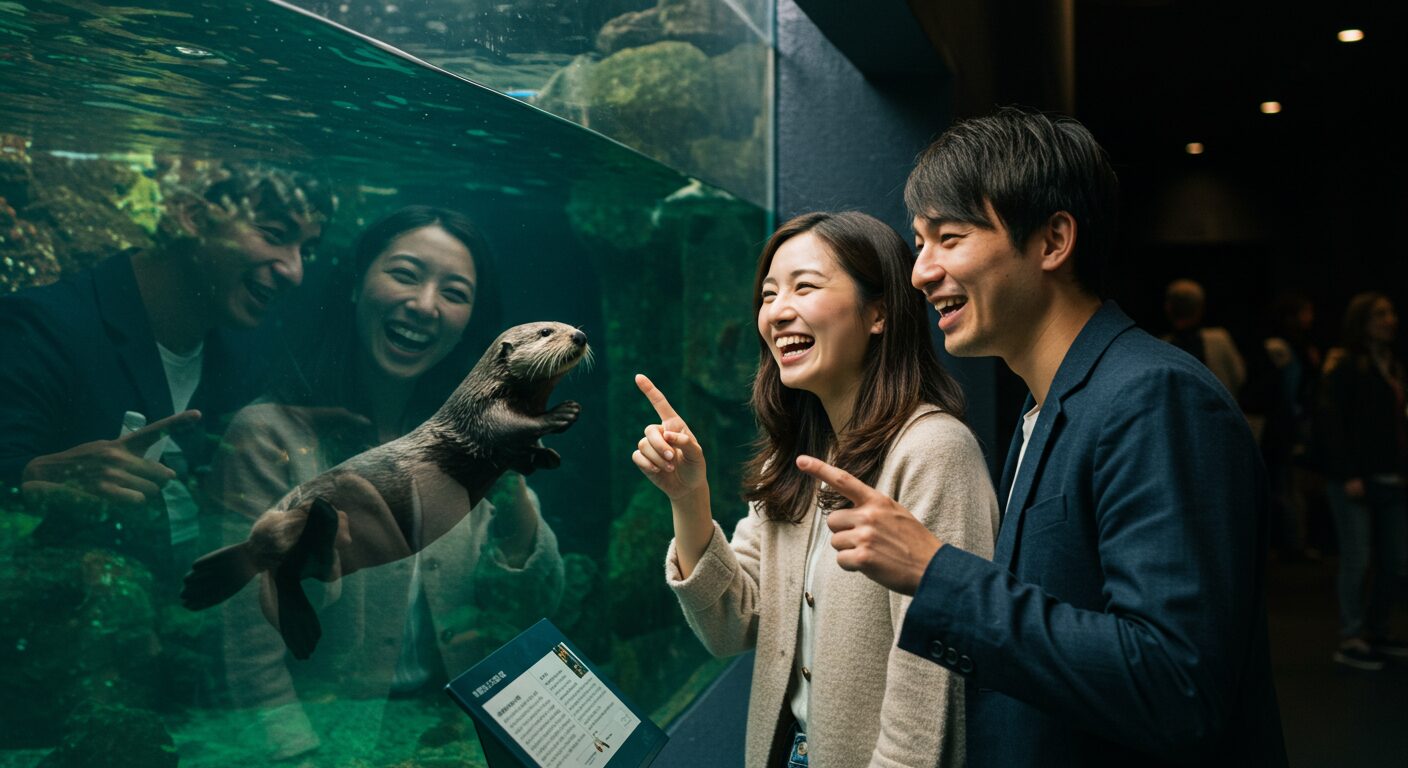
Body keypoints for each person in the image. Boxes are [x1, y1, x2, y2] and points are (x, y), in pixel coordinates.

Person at [795, 109, 1287, 766]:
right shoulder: (1042, 409)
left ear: (1053, 241)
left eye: (950, 237)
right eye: (919, 243)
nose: (920, 271)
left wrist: (935, 570)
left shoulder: (1154, 396)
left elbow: (1175, 683)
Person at [632, 211, 998, 768]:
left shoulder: (934, 452)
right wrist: (689, 498)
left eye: (805, 287)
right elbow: (733, 625)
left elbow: (935, 675)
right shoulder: (795, 456)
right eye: (768, 294)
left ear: (878, 312)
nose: (777, 312)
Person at [207, 206, 564, 761]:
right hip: (329, 738)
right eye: (404, 273)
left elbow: (539, 600)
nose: (425, 305)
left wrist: (510, 488)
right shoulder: (266, 435)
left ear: (475, 322)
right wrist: (291, 751)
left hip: (451, 731)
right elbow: (243, 638)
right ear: (354, 285)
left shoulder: (475, 438)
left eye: (454, 292)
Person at [0, 159, 332, 572]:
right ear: (192, 216)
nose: (294, 271)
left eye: (307, 250)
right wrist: (34, 478)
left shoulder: (245, 353)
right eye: (274, 235)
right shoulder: (40, 327)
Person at [1318, 291, 1408, 671]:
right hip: (1355, 477)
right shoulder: (1345, 365)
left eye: (1391, 313)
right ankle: (1351, 636)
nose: (1390, 320)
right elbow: (1331, 421)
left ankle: (1376, 631)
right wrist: (1347, 472)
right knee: (1358, 558)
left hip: (1392, 478)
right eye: (1380, 314)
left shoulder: (1393, 365)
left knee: (1397, 561)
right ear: (1363, 321)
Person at [1162, 278, 1247, 398]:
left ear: (1168, 307)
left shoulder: (1161, 346)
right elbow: (1239, 376)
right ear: (1200, 307)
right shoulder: (1220, 339)